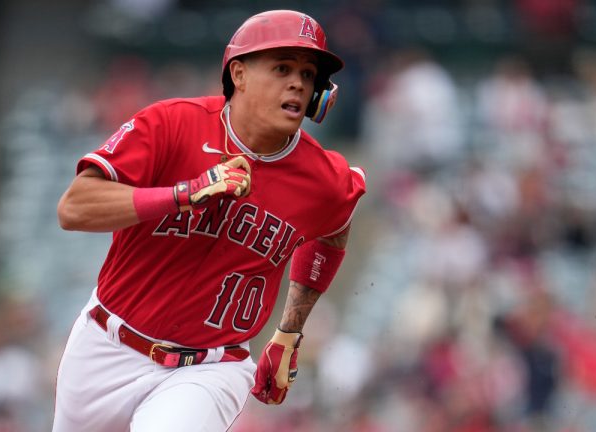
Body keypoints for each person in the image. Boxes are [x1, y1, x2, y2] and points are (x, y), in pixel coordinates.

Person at [52, 9, 366, 431]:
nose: (298, 82)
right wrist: (182, 195)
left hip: (210, 370)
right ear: (238, 74)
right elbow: (74, 208)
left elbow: (335, 229)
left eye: (309, 74)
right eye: (282, 67)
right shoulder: (171, 123)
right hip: (106, 347)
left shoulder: (322, 179)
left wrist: (290, 331)